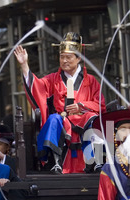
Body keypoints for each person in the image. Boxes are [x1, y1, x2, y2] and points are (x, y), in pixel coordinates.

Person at [14, 32, 106, 173]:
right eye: (61, 57)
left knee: (93, 118)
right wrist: (24, 65)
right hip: (62, 121)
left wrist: (82, 106)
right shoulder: (53, 79)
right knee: (53, 119)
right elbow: (37, 88)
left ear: (78, 58)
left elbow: (100, 105)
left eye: (68, 57)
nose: (64, 61)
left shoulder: (91, 80)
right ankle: (56, 162)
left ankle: (96, 161)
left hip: (84, 119)